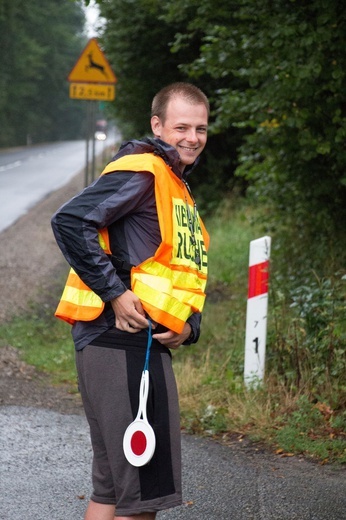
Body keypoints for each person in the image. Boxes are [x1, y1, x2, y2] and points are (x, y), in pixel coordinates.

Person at [51, 82, 210, 520]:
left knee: (113, 491)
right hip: (125, 347)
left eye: (201, 128)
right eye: (181, 126)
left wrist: (188, 327)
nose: (192, 137)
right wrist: (116, 295)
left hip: (122, 348)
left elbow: (178, 272)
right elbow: (70, 220)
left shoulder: (173, 184)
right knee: (141, 499)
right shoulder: (145, 171)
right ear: (157, 125)